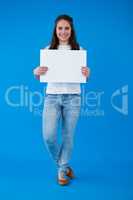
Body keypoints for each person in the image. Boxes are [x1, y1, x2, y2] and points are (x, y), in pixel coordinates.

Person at [33, 14, 90, 186]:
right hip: (52, 97)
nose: (63, 31)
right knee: (49, 136)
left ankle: (62, 170)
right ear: (55, 30)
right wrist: (36, 72)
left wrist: (87, 74)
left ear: (71, 30)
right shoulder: (48, 50)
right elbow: (41, 77)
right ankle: (63, 165)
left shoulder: (79, 50)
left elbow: (83, 78)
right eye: (60, 28)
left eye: (66, 28)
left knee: (68, 136)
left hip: (73, 97)